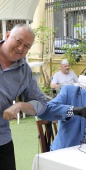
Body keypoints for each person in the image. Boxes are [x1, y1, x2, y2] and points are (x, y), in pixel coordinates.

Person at [0, 24, 47, 170]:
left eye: (26, 46)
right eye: (18, 41)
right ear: (7, 35)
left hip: (2, 140)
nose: (20, 49)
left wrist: (19, 106)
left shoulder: (24, 71)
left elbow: (41, 103)